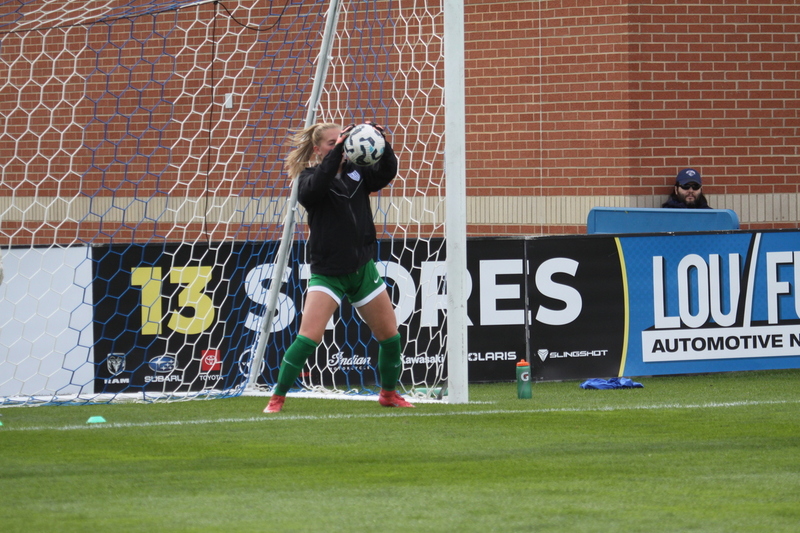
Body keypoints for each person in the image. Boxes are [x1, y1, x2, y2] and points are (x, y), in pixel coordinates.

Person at [264, 122, 414, 413]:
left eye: (340, 141)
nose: (339, 147)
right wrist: (338, 153)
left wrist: (381, 142)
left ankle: (388, 394)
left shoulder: (357, 173)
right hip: (329, 274)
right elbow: (315, 189)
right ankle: (278, 396)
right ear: (318, 149)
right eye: (332, 143)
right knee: (309, 338)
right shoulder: (307, 179)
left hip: (362, 270)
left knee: (390, 337)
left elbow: (387, 172)